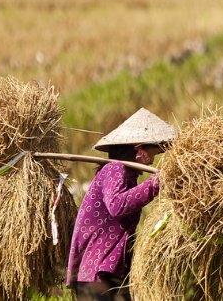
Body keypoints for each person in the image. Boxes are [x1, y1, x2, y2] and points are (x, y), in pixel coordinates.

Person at [65, 108, 177, 301]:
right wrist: (155, 183)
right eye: (152, 153)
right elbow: (117, 205)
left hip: (111, 269)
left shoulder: (125, 175)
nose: (153, 160)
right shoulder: (115, 169)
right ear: (140, 150)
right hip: (97, 271)